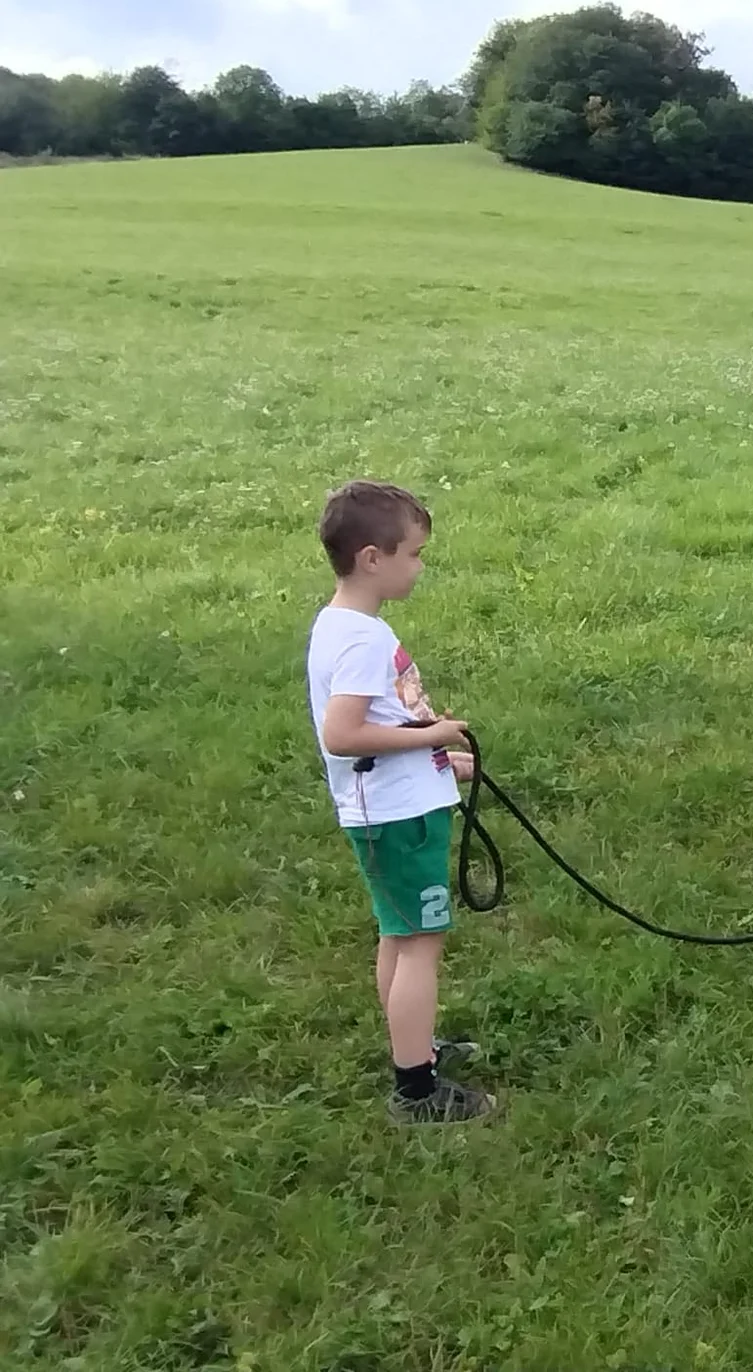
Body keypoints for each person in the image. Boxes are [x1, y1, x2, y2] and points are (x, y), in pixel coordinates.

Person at [306, 479, 499, 1125]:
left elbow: (374, 723)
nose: (419, 566)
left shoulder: (340, 624)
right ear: (372, 558)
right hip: (398, 818)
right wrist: (439, 734)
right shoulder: (364, 640)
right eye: (413, 554)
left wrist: (436, 755)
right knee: (421, 942)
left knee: (400, 934)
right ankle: (417, 1091)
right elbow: (343, 734)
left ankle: (411, 1048)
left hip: (391, 804)